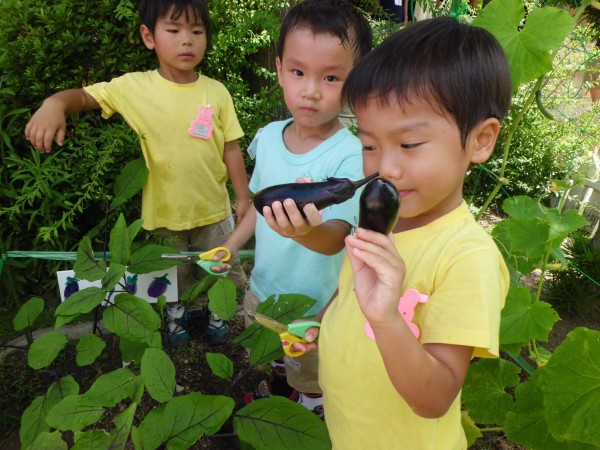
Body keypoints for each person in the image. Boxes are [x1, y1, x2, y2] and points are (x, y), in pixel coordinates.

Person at [294, 17, 512, 447]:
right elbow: (352, 291)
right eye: (369, 144)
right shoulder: (381, 217)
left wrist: (387, 318)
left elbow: (436, 397)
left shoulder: (467, 258)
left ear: (481, 140)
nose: (384, 168)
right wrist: (321, 324)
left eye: (409, 144)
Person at [23, 0, 250, 347]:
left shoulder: (216, 91)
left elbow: (231, 147)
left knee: (224, 270)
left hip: (214, 211)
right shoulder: (133, 87)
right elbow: (82, 98)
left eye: (197, 31)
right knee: (172, 276)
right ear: (149, 36)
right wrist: (54, 104)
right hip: (163, 213)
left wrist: (244, 198)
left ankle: (219, 319)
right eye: (173, 30)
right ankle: (176, 321)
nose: (186, 40)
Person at [213, 0, 372, 417]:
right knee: (267, 357)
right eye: (299, 72)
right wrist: (231, 244)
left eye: (332, 77)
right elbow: (258, 205)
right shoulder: (267, 137)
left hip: (315, 305)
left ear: (355, 84)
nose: (311, 89)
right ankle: (277, 390)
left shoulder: (351, 157)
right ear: (280, 69)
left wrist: (303, 232)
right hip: (262, 289)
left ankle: (310, 410)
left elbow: (337, 237)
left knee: (309, 372)